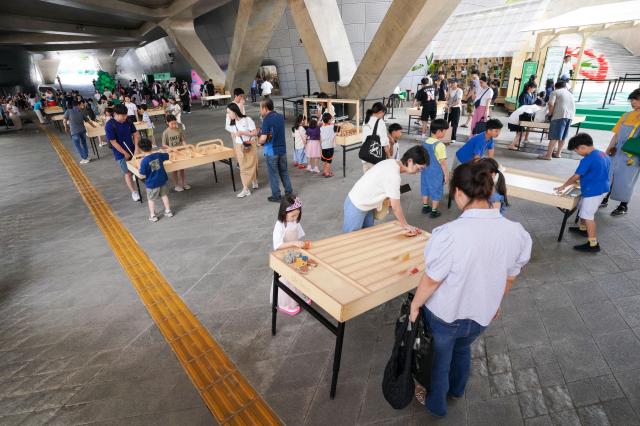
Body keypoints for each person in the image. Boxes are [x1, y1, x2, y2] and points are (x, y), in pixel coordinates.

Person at [409, 161, 532, 417]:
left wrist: (415, 304)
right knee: (463, 349)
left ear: (458, 193)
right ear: (489, 190)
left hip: (445, 314)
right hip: (482, 313)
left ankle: (436, 405)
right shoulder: (517, 233)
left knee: (440, 360)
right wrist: (496, 303)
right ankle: (457, 390)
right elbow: (509, 278)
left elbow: (432, 280)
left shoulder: (448, 234)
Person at [343, 146, 428, 233]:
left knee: (366, 239)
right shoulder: (394, 176)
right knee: (350, 241)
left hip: (367, 205)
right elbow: (396, 207)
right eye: (419, 168)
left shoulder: (392, 162)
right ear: (410, 161)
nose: (418, 172)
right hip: (356, 205)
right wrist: (405, 225)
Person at [555, 134, 610, 252]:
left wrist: (564, 186)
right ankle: (583, 229)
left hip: (594, 191)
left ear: (583, 147)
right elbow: (598, 171)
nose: (577, 153)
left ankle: (593, 244)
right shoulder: (602, 154)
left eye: (577, 150)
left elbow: (576, 176)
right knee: (581, 207)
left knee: (588, 216)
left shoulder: (588, 159)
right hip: (601, 187)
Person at [601, 89, 640, 216]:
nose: (632, 102)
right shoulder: (626, 115)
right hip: (617, 151)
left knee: (626, 179)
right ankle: (604, 198)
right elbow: (616, 136)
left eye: (636, 99)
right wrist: (607, 152)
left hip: (633, 155)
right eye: (632, 99)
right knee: (609, 175)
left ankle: (623, 205)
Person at [271, 195, 311, 316]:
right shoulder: (279, 225)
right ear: (283, 213)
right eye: (292, 215)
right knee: (287, 278)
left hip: (295, 252)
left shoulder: (295, 221)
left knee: (302, 272)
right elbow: (277, 245)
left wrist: (302, 244)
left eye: (297, 215)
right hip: (284, 254)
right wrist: (293, 243)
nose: (295, 218)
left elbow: (298, 236)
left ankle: (301, 295)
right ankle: (287, 303)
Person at [259, 99, 293, 202]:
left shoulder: (267, 120)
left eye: (261, 108)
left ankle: (276, 196)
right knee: (284, 172)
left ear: (265, 108)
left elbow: (264, 138)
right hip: (282, 149)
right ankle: (289, 192)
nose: (260, 110)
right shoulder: (280, 117)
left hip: (271, 151)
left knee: (273, 174)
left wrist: (259, 142)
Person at [106, 104, 140, 201]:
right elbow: (113, 142)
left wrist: (137, 148)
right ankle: (134, 192)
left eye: (126, 115)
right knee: (128, 172)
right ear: (116, 114)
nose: (125, 117)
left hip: (132, 148)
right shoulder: (110, 125)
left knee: (139, 168)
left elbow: (135, 134)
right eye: (123, 115)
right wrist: (124, 153)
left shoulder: (128, 121)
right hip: (120, 153)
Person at [226, 103, 258, 198]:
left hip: (250, 145)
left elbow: (255, 132)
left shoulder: (247, 120)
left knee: (252, 164)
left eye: (229, 112)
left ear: (235, 112)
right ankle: (245, 189)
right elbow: (233, 135)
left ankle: (254, 180)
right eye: (227, 113)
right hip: (239, 146)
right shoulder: (231, 123)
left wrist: (243, 132)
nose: (228, 115)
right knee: (243, 167)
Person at [138, 138, 173, 222]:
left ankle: (153, 215)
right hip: (162, 180)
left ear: (141, 150)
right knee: (164, 195)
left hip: (152, 183)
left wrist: (139, 167)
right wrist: (162, 151)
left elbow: (142, 173)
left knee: (151, 199)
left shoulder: (144, 161)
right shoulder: (158, 155)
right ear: (151, 146)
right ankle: (168, 211)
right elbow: (167, 156)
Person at [539, 80, 575, 160]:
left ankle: (548, 155)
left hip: (559, 115)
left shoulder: (555, 92)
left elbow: (551, 103)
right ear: (565, 86)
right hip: (570, 116)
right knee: (562, 137)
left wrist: (550, 113)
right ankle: (558, 153)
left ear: (555, 87)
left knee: (554, 136)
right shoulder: (570, 94)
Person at [421, 119, 450, 218]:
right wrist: (446, 175)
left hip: (425, 171)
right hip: (436, 172)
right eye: (445, 131)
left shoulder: (425, 142)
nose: (446, 132)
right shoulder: (440, 145)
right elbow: (443, 163)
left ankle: (425, 207)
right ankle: (434, 211)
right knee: (436, 189)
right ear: (439, 131)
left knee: (425, 187)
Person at [161, 114, 190, 192]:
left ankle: (184, 183)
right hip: (172, 153)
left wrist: (186, 147)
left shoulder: (179, 129)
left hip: (180, 151)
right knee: (175, 170)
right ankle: (176, 185)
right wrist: (171, 149)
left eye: (175, 123)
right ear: (167, 122)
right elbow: (164, 144)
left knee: (182, 168)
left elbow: (182, 140)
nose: (174, 125)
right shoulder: (165, 132)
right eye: (172, 123)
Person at [361, 102, 390, 172]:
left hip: (365, 156)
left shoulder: (366, 120)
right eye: (384, 113)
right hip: (375, 159)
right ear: (381, 112)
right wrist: (389, 157)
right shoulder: (380, 122)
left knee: (367, 180)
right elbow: (384, 143)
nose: (383, 115)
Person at [320, 112, 336, 177]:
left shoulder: (321, 128)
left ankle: (324, 171)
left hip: (323, 146)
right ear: (329, 120)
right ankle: (327, 173)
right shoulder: (332, 127)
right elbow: (338, 129)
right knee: (329, 160)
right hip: (330, 146)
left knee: (324, 160)